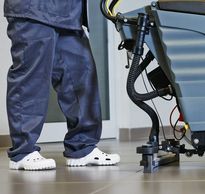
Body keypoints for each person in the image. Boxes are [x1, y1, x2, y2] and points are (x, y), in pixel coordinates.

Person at [4, 0, 120, 170]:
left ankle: (82, 146)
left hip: (69, 15)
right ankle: (23, 152)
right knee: (31, 78)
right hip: (33, 10)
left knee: (80, 73)